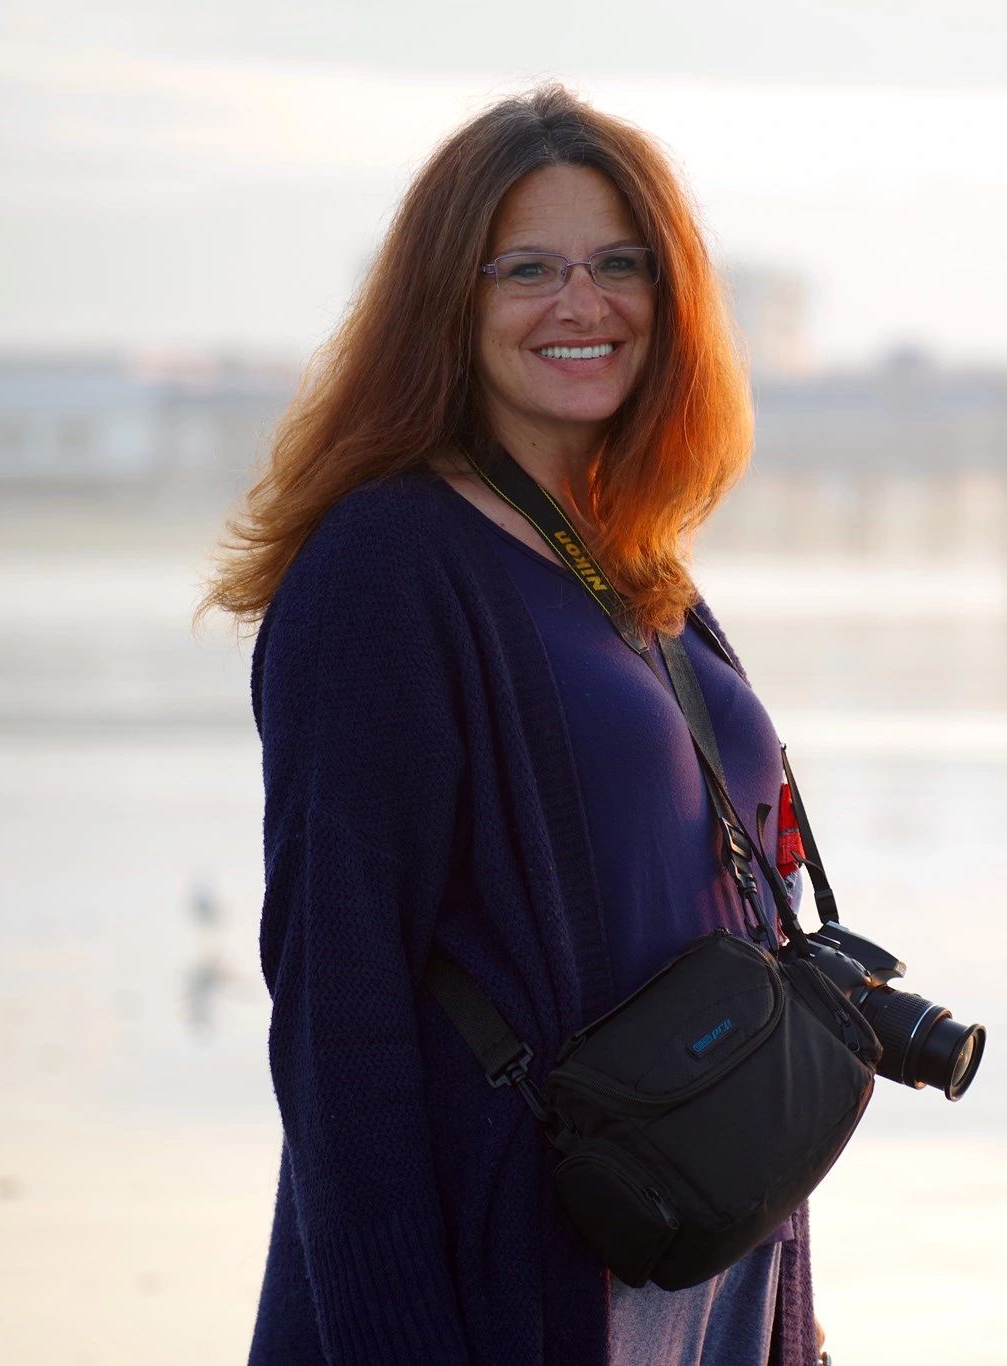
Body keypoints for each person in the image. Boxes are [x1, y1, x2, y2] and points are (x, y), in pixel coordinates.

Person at [197, 85, 828, 1365]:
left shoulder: (637, 559)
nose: (580, 304)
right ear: (448, 301)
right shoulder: (387, 567)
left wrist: (790, 1315)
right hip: (511, 1280)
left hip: (704, 1260)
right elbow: (338, 1006)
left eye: (616, 265)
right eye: (527, 269)